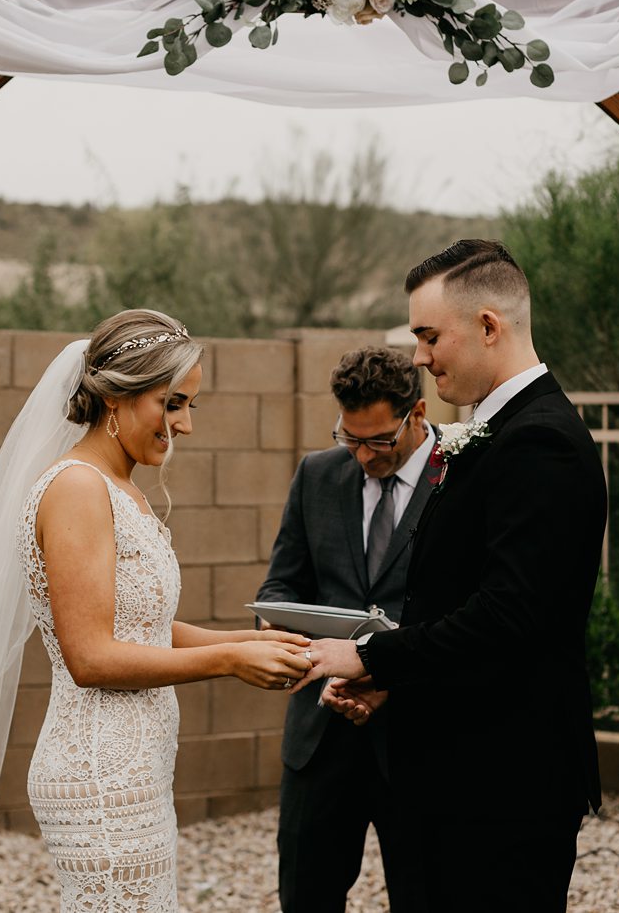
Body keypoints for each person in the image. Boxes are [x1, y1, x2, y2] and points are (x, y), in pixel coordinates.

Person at [0, 308, 312, 912]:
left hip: (136, 765)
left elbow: (139, 627)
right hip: (97, 769)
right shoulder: (77, 488)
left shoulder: (120, 487)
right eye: (172, 404)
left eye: (191, 406)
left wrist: (257, 641)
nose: (185, 425)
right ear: (117, 398)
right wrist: (229, 659)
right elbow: (90, 655)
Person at [293, 240, 607, 913]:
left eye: (429, 335)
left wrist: (370, 654)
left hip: (503, 787)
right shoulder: (496, 432)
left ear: (488, 326)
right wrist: (389, 685)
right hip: (456, 777)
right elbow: (458, 602)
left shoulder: (541, 441)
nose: (419, 357)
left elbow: (508, 617)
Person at [255, 346, 436, 912]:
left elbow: (472, 613)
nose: (362, 455)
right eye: (348, 437)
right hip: (320, 734)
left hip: (419, 735)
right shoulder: (316, 474)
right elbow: (281, 589)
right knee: (306, 897)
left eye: (378, 441)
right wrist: (299, 647)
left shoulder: (460, 479)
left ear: (418, 415)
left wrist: (388, 676)